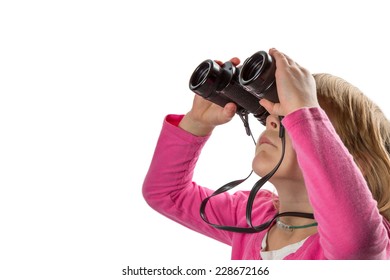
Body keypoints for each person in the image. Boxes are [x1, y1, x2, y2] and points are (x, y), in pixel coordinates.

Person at [142, 48, 390, 259]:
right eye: (275, 115)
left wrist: (303, 110)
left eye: (294, 120)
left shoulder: (370, 240)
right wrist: (196, 124)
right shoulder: (250, 216)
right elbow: (167, 194)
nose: (272, 122)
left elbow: (353, 240)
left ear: (358, 164)